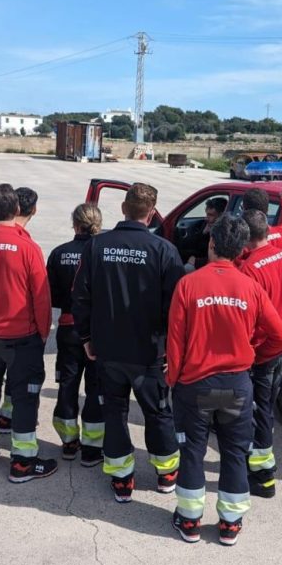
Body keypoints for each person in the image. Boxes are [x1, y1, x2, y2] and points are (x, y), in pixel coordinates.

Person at [166, 215, 282, 546]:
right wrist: (253, 353)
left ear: (211, 243)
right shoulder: (250, 286)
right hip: (236, 385)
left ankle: (189, 521)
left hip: (196, 385)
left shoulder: (189, 284)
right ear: (240, 250)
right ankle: (230, 525)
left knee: (192, 450)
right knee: (234, 453)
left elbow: (175, 343)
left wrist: (173, 380)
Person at [72, 182, 184, 503]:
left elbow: (80, 297)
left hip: (108, 350)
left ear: (123, 208)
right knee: (159, 412)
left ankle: (122, 480)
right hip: (150, 352)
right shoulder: (165, 251)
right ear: (151, 214)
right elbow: (176, 308)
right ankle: (166, 475)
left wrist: (86, 337)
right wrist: (171, 348)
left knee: (115, 413)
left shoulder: (96, 246)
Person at [0, 184, 56, 481]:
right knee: (25, 398)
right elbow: (41, 298)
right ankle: (23, 463)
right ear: (17, 210)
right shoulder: (28, 247)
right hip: (22, 338)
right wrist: (42, 333)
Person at [238, 209, 282, 498]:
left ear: (245, 238)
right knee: (268, 406)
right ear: (267, 231)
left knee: (260, 412)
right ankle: (259, 459)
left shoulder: (249, 270)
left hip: (263, 353)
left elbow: (246, 320)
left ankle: (263, 476)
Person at [46, 203, 104, 466]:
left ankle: (69, 442)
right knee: (95, 388)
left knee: (68, 385)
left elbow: (53, 296)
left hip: (69, 329)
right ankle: (92, 449)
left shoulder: (59, 253)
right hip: (98, 332)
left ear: (74, 223)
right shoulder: (103, 253)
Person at [185, 196, 228, 270]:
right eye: (207, 214)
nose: (206, 218)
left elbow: (219, 257)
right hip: (202, 256)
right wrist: (203, 234)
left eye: (211, 215)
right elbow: (194, 245)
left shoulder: (225, 233)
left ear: (221, 216)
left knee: (187, 268)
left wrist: (196, 261)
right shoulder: (206, 224)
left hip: (213, 265)